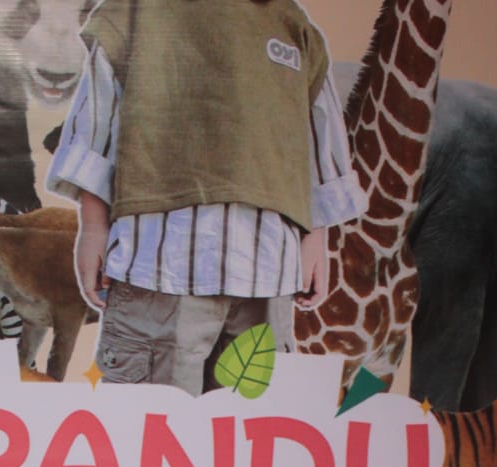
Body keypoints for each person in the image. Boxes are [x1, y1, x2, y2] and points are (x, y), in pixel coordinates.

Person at [47, 0, 365, 397]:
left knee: (248, 428)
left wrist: (316, 234)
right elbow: (96, 115)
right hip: (160, 266)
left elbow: (319, 131)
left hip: (267, 270)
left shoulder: (290, 23)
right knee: (153, 422)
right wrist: (94, 226)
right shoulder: (137, 10)